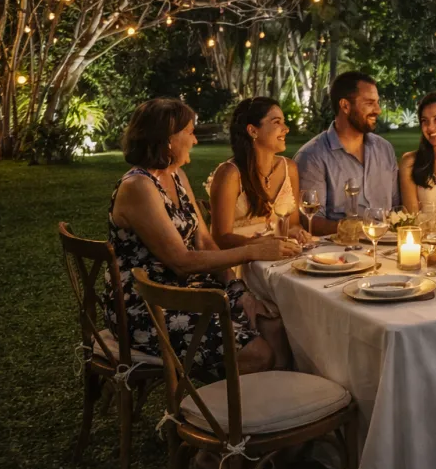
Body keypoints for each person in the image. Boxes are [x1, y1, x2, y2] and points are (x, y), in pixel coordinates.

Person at [106, 99, 300, 377]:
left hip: (191, 291)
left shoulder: (176, 175)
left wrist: (238, 289)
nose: (195, 140)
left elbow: (206, 242)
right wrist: (253, 251)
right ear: (167, 140)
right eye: (189, 132)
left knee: (274, 326)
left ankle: (273, 401)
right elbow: (182, 262)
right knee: (259, 354)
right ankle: (231, 402)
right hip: (149, 305)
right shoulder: (138, 186)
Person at [294, 71, 401, 234]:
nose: (378, 110)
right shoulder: (312, 156)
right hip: (339, 247)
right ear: (345, 106)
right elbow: (311, 221)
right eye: (370, 103)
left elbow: (396, 207)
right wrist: (353, 229)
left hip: (386, 243)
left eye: (377, 103)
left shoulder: (384, 149)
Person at [207, 97, 312, 249]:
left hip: (279, 255)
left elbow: (293, 224)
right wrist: (262, 244)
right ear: (253, 131)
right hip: (240, 260)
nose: (286, 128)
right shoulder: (230, 174)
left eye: (283, 122)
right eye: (277, 122)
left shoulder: (289, 168)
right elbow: (221, 238)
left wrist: (297, 232)